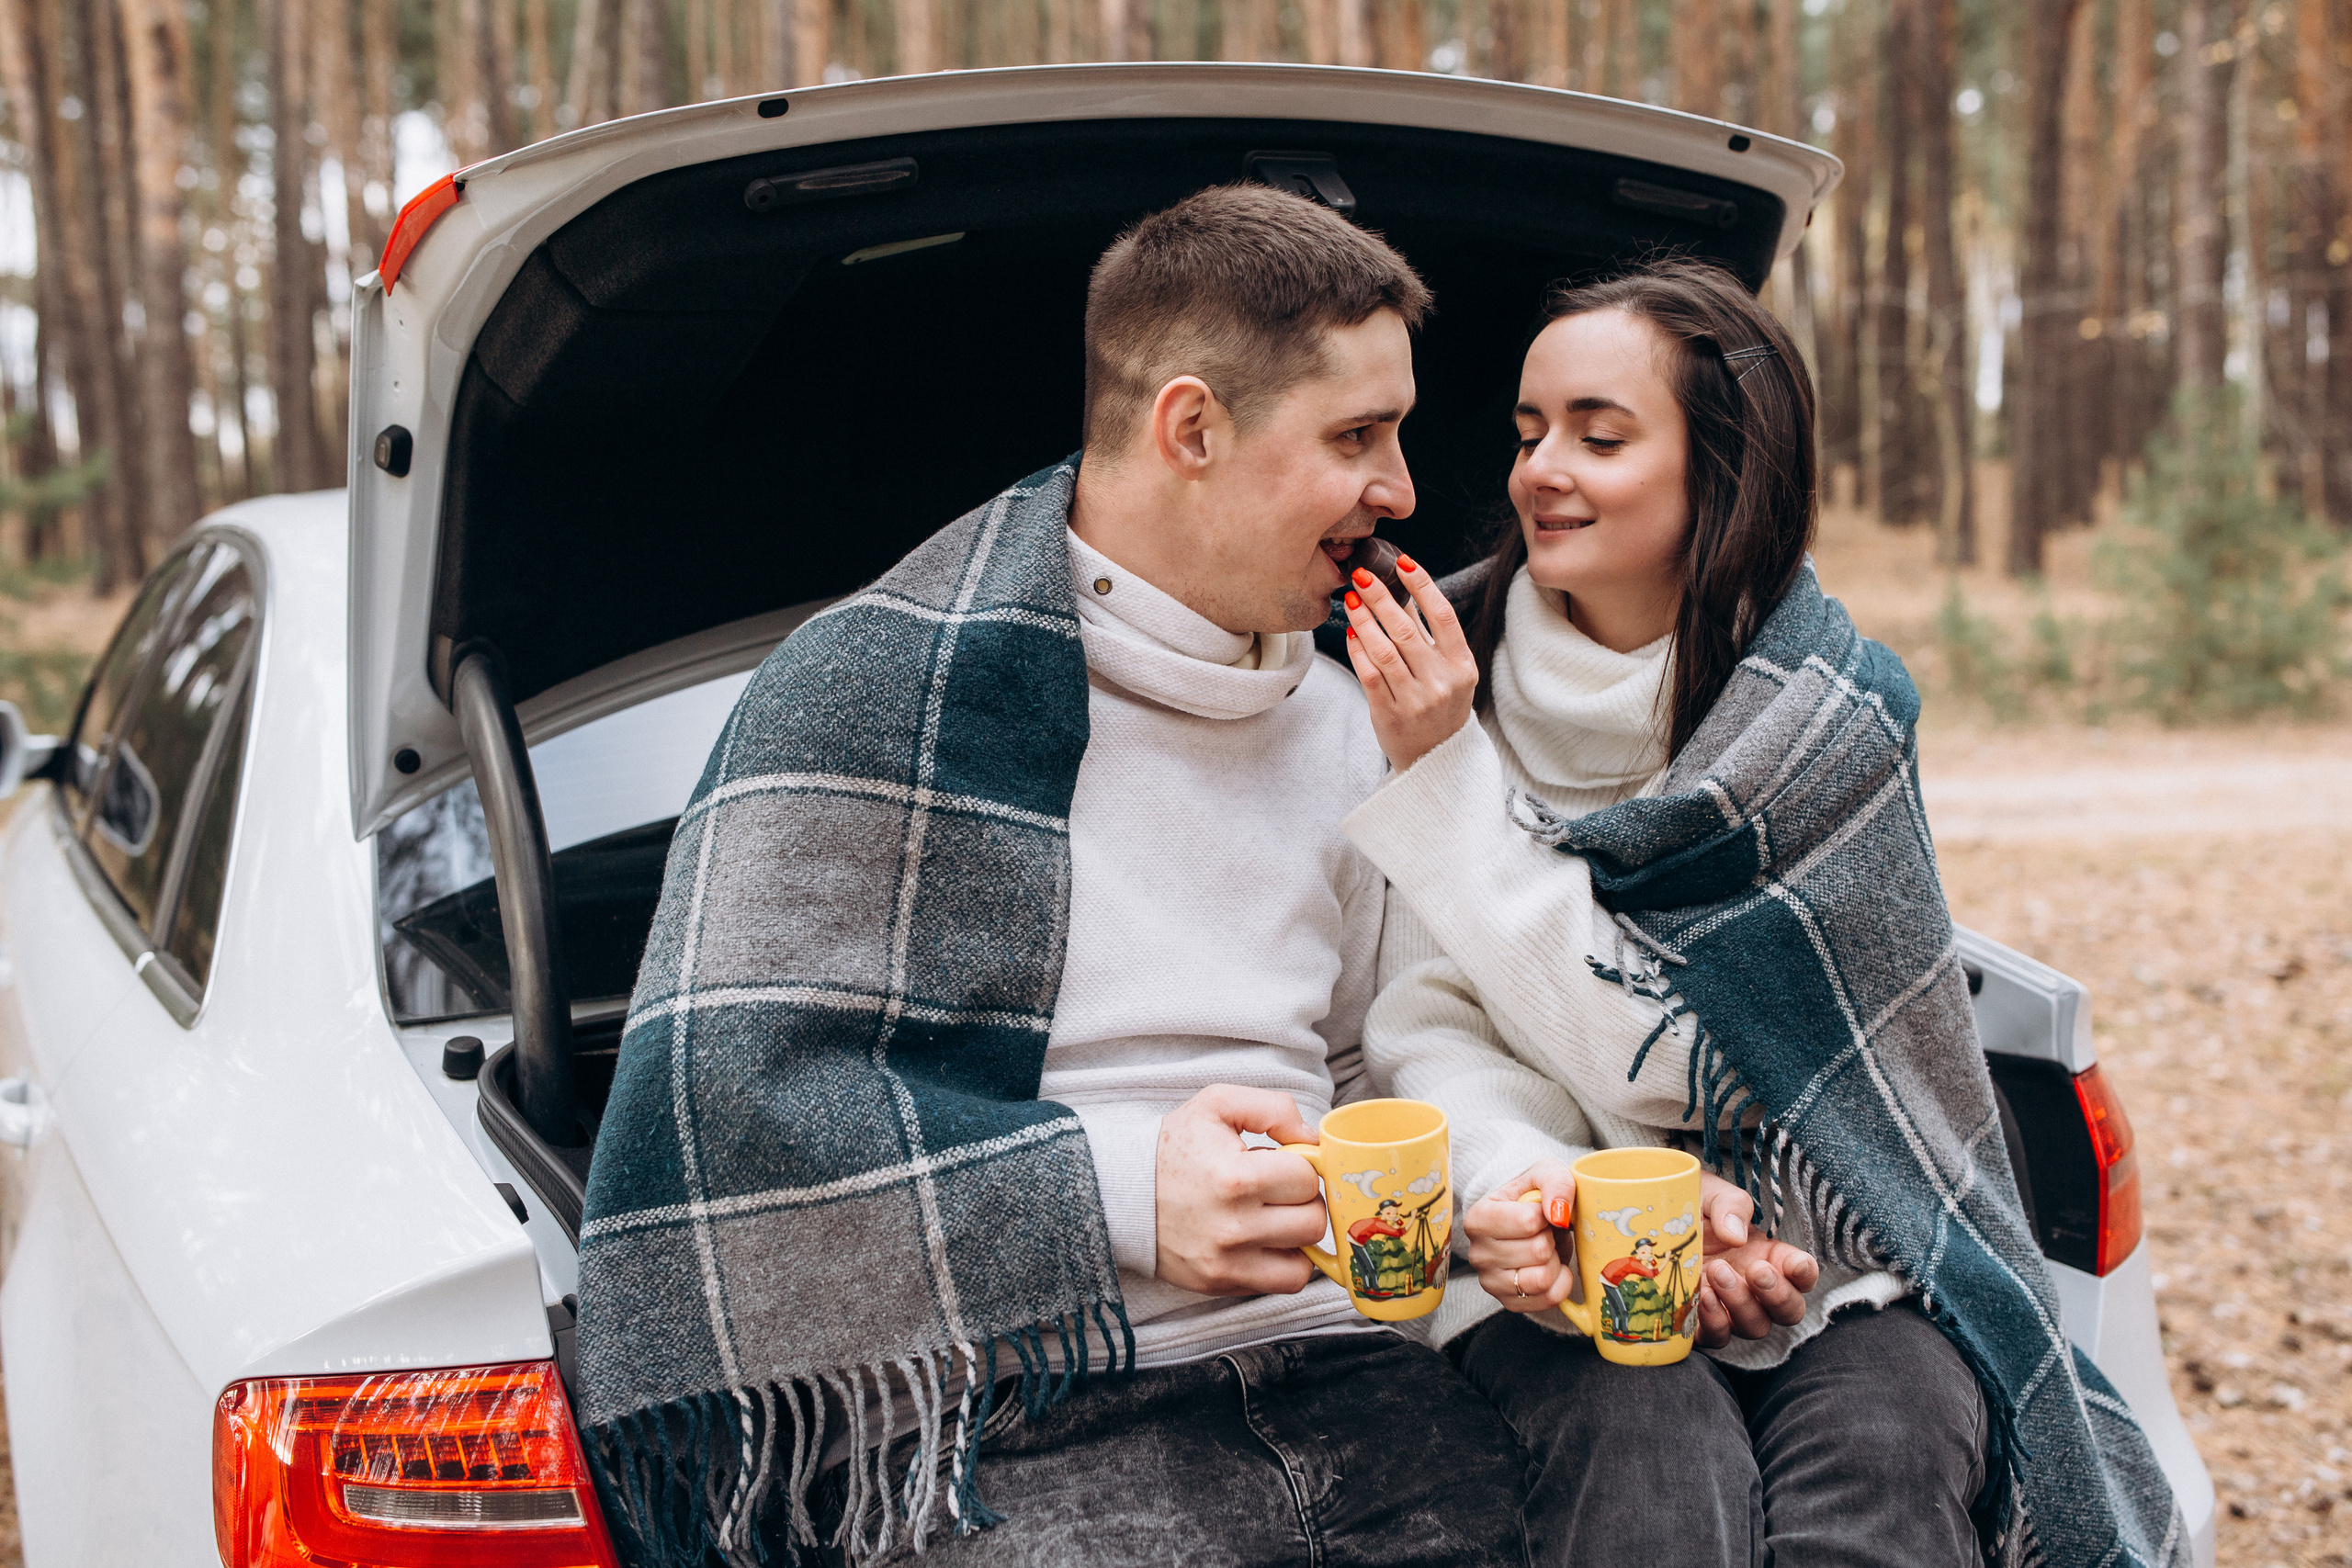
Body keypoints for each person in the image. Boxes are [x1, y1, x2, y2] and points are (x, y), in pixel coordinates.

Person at [578, 183, 1555, 1568]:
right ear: (1193, 429)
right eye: (1357, 436)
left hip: (1358, 1376)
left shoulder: (1351, 720)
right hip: (1015, 1401)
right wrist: (1126, 1192)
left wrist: (1513, 1188)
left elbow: (1375, 1066)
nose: (1401, 489)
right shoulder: (867, 697)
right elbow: (730, 1114)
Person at [1332, 259, 2185, 1568]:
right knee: (1652, 1463)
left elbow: (1705, 1052)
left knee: (1886, 1461)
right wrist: (1546, 1196)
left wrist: (1758, 1240)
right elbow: (1428, 1028)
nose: (1539, 469)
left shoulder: (1826, 719)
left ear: (1718, 472)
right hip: (1551, 1251)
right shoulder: (1436, 675)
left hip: (1837, 1250)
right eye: (1527, 432)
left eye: (1599, 436)